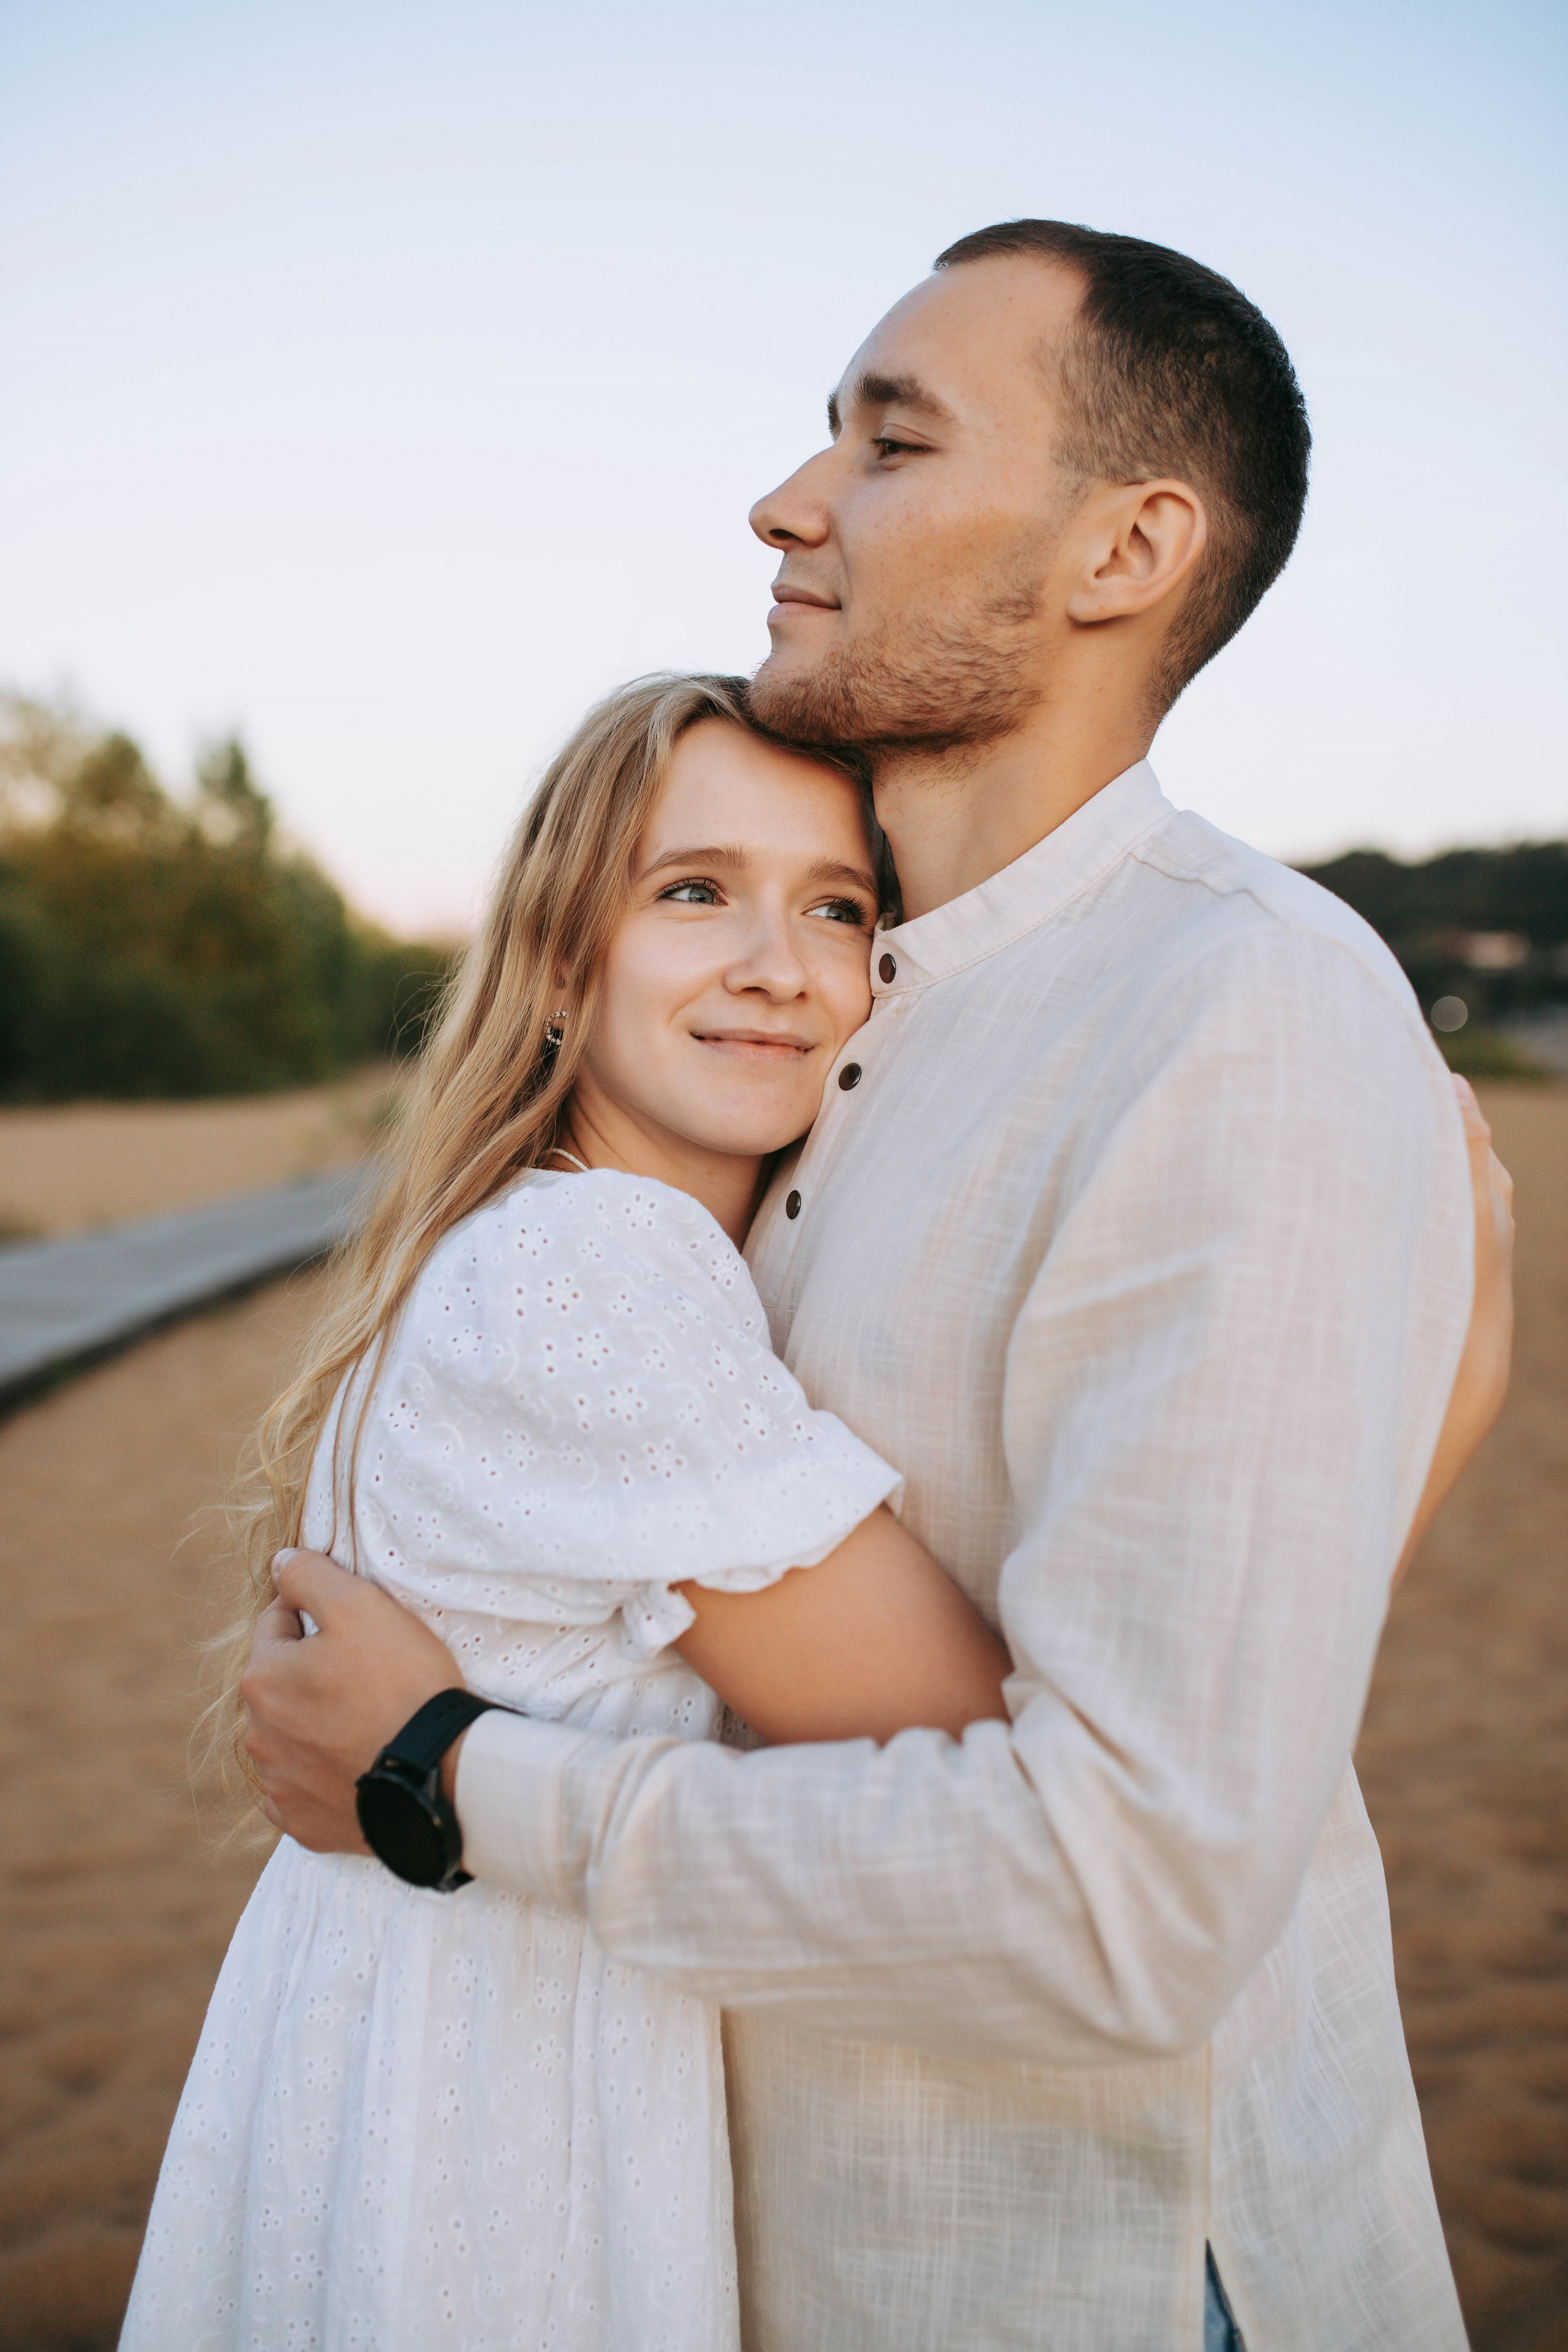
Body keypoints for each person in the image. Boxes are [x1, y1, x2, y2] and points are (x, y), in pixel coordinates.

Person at [241, 224, 1514, 2351]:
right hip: (770, 2237)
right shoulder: (834, 1035)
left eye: (890, 440)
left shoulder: (1238, 1013)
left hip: (1083, 2264)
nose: (786, 500)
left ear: (1128, 548)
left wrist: (451, 1778)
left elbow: (1131, 1883)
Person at [118, 677, 1035, 2351]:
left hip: (405, 2023)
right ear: (561, 956)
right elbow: (995, 1770)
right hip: (498, 2088)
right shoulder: (590, 1265)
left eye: (836, 907)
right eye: (694, 892)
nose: (779, 963)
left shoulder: (541, 1243)